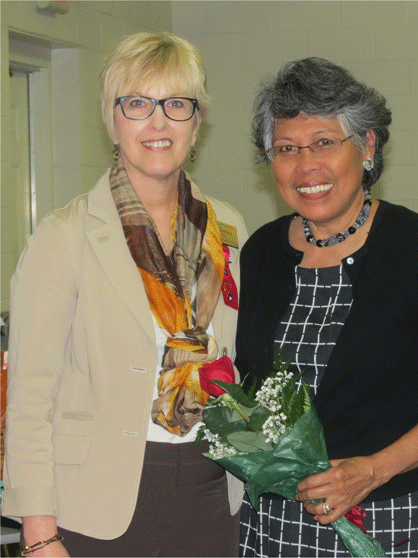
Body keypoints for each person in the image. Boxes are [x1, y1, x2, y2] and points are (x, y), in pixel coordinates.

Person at [235, 57, 418, 557]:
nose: (306, 166)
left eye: (324, 142)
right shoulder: (261, 252)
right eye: (287, 148)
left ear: (368, 146)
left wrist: (374, 469)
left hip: (378, 514)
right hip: (273, 519)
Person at [3, 32, 247, 557]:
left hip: (212, 490)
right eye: (137, 104)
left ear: (196, 123)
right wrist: (39, 533)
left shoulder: (227, 228)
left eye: (176, 104)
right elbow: (29, 399)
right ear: (112, 121)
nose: (158, 122)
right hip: (98, 502)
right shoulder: (65, 235)